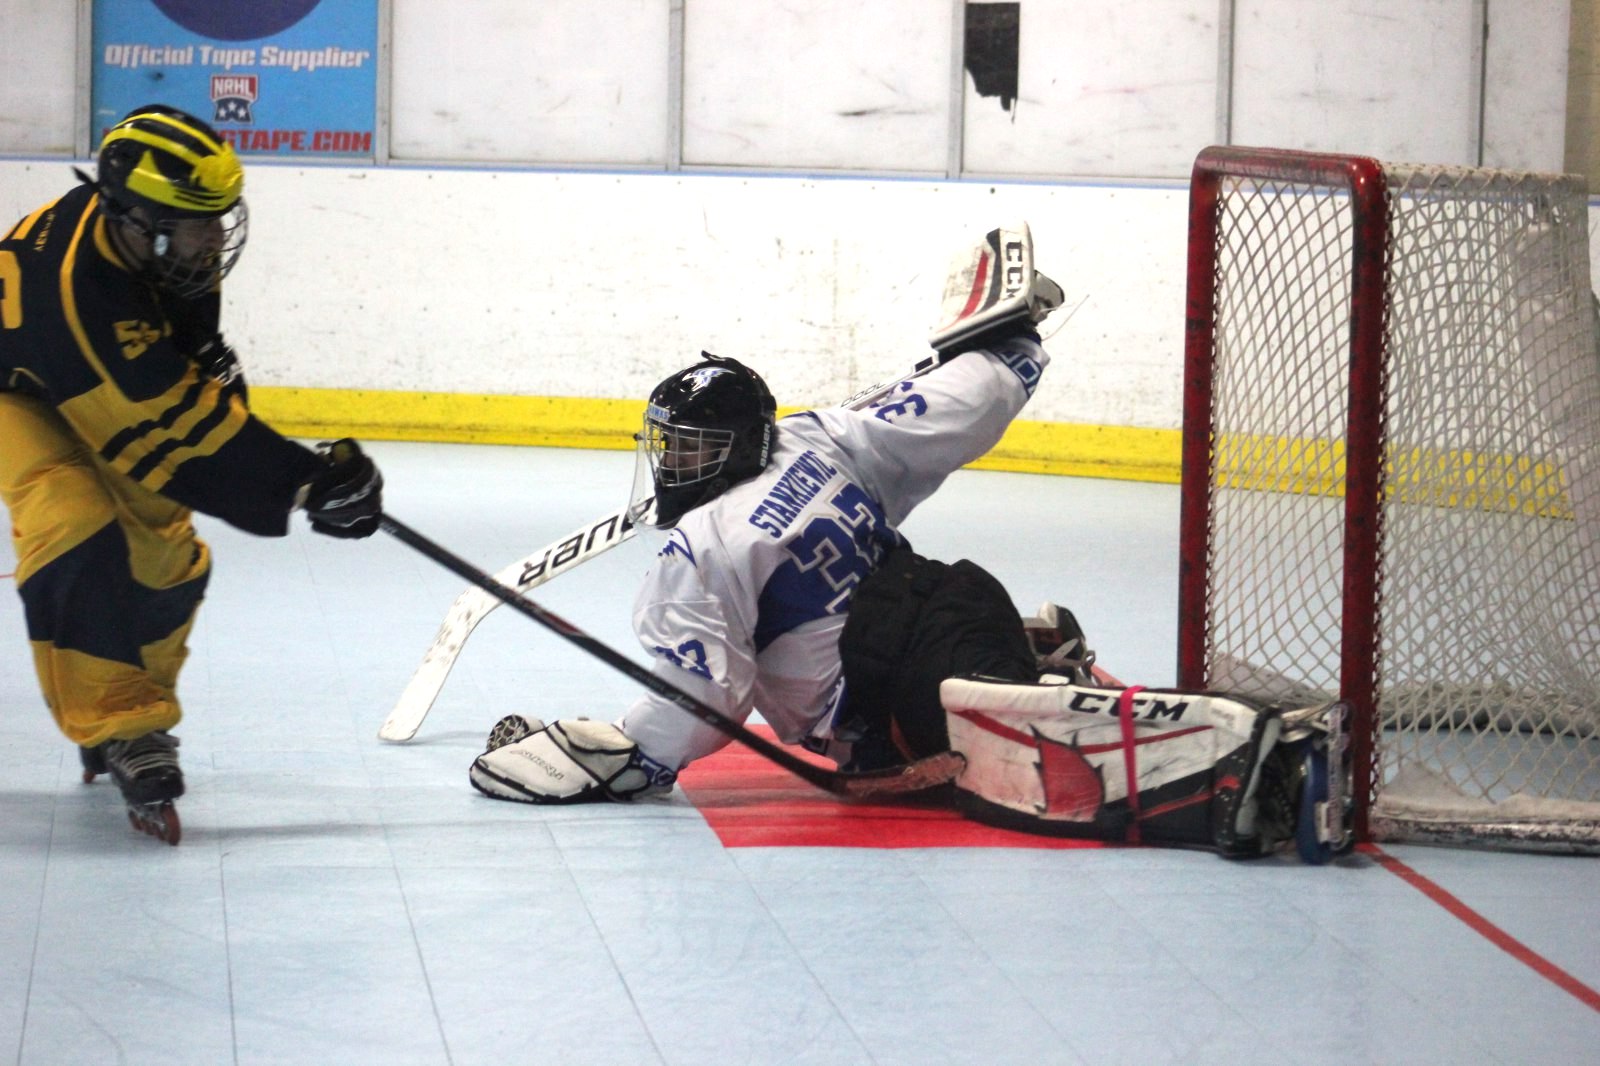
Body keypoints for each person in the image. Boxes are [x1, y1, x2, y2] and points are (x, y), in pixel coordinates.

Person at [469, 222, 1077, 804]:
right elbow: (949, 408)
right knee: (956, 597)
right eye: (668, 444)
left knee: (953, 595)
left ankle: (1024, 691)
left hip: (882, 699)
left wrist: (626, 756)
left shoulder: (701, 548)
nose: (675, 463)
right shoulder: (811, 440)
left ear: (736, 445)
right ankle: (1023, 681)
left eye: (692, 446)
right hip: (896, 684)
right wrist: (1008, 346)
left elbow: (706, 694)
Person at [0, 104, 384, 842]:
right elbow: (165, 427)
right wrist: (305, 484)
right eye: (195, 222)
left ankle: (128, 703)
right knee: (73, 520)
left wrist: (210, 367)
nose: (213, 237)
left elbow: (181, 363)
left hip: (88, 376)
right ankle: (124, 724)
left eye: (218, 217)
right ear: (132, 217)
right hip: (16, 391)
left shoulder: (158, 237)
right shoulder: (80, 300)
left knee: (163, 543)